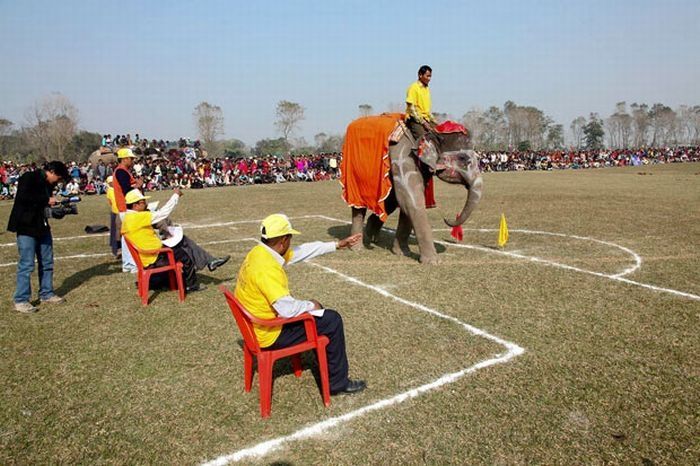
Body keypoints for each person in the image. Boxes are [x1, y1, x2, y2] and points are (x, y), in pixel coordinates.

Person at [234, 214, 366, 395]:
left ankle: (325, 362)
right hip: (268, 334)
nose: (291, 243)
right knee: (332, 319)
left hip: (256, 326)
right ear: (283, 240)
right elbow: (287, 309)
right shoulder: (267, 269)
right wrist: (312, 305)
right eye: (290, 238)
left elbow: (301, 251)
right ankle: (337, 383)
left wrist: (337, 245)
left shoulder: (260, 252)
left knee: (322, 317)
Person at [121, 189, 229, 293]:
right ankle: (192, 284)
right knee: (185, 255)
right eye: (143, 202)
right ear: (135, 206)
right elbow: (164, 213)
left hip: (151, 255)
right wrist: (176, 195)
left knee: (183, 241)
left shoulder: (129, 217)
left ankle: (210, 262)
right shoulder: (138, 217)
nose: (146, 204)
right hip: (156, 257)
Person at [7, 161, 69, 313]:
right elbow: (23, 198)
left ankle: (46, 293)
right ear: (52, 172)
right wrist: (46, 200)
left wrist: (58, 210)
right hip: (26, 226)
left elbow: (43, 206)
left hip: (42, 226)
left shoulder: (48, 185)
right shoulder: (29, 177)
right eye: (59, 177)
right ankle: (21, 300)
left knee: (47, 262)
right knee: (27, 264)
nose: (58, 181)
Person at [113, 148, 141, 273]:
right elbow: (127, 190)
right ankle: (130, 263)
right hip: (126, 207)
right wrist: (138, 186)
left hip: (125, 207)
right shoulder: (121, 171)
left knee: (127, 236)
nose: (133, 160)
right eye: (131, 158)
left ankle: (128, 263)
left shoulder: (123, 171)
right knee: (130, 236)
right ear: (124, 159)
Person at [405, 65, 437, 143]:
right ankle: (416, 154)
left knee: (439, 134)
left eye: (430, 76)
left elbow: (427, 111)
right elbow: (412, 109)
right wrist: (423, 122)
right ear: (420, 75)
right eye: (427, 76)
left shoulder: (426, 89)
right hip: (414, 120)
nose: (429, 79)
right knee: (424, 140)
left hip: (425, 119)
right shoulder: (413, 87)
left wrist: (435, 121)